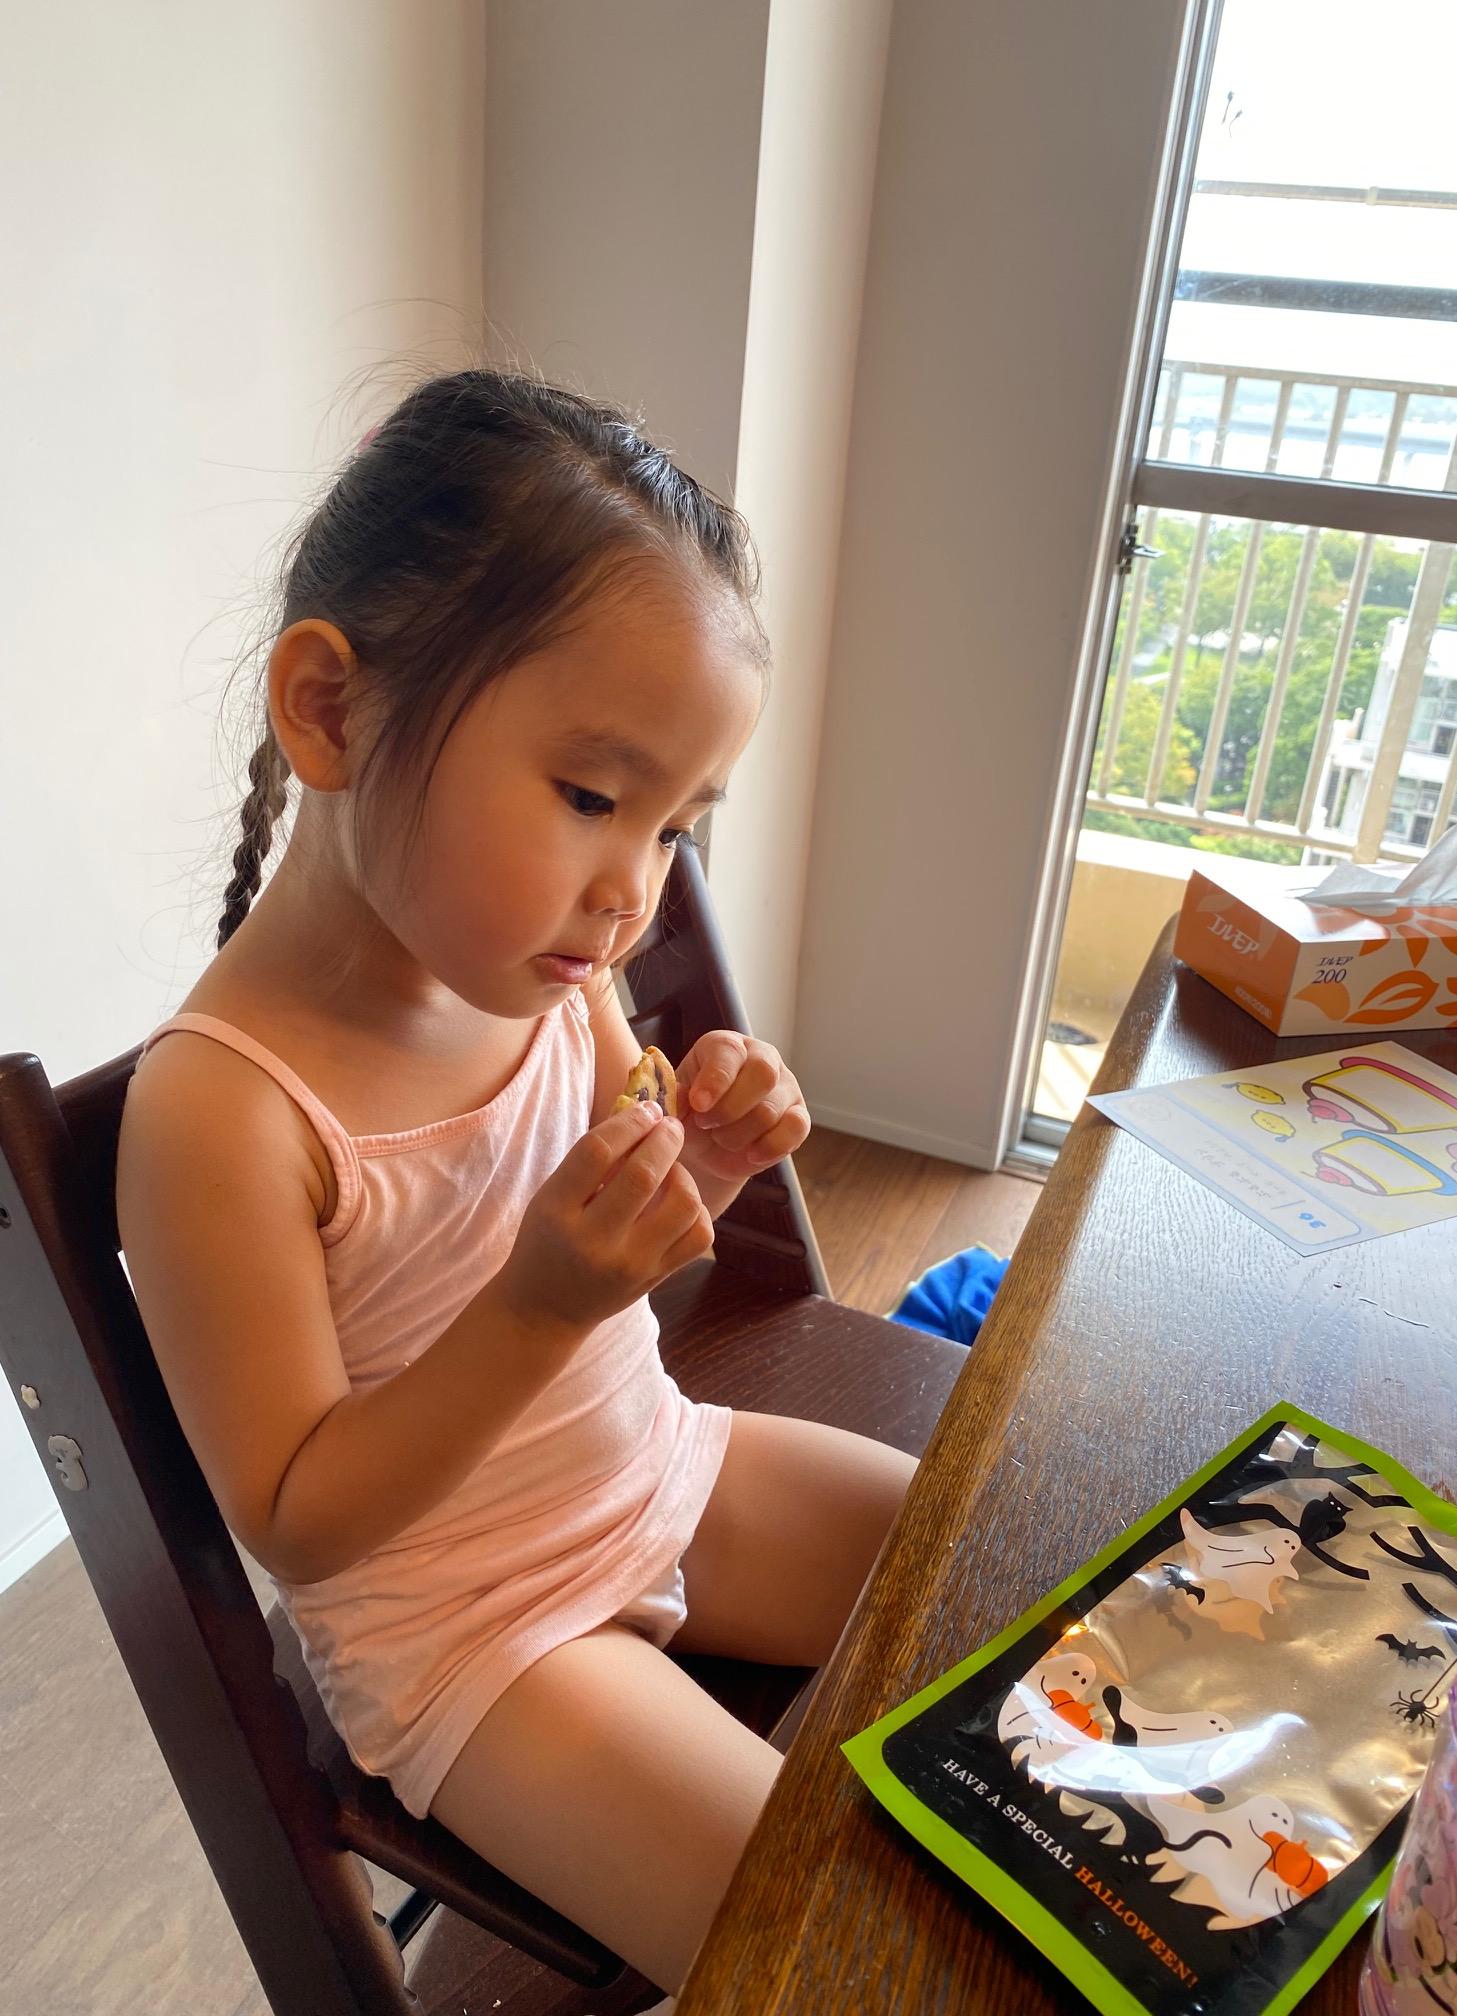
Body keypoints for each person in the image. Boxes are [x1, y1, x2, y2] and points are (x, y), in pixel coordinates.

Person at [116, 369, 917, 1999]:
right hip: (479, 1637)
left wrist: (696, 1157)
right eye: (592, 798)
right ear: (331, 711)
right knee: (829, 1952)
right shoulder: (224, 1112)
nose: (635, 894)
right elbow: (300, 1521)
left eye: (677, 826)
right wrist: (541, 1306)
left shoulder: (546, 971)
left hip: (663, 1468)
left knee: (992, 1569)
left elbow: (618, 1213)